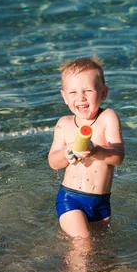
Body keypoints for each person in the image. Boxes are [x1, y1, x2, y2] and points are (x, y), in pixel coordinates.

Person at [48, 56, 125, 239]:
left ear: (103, 93)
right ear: (64, 97)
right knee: (83, 242)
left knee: (100, 250)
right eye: (73, 92)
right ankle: (77, 269)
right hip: (71, 198)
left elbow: (118, 157)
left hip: (101, 202)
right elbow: (53, 162)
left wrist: (97, 150)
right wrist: (66, 151)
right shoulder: (64, 124)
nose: (80, 97)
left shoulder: (108, 118)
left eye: (87, 90)